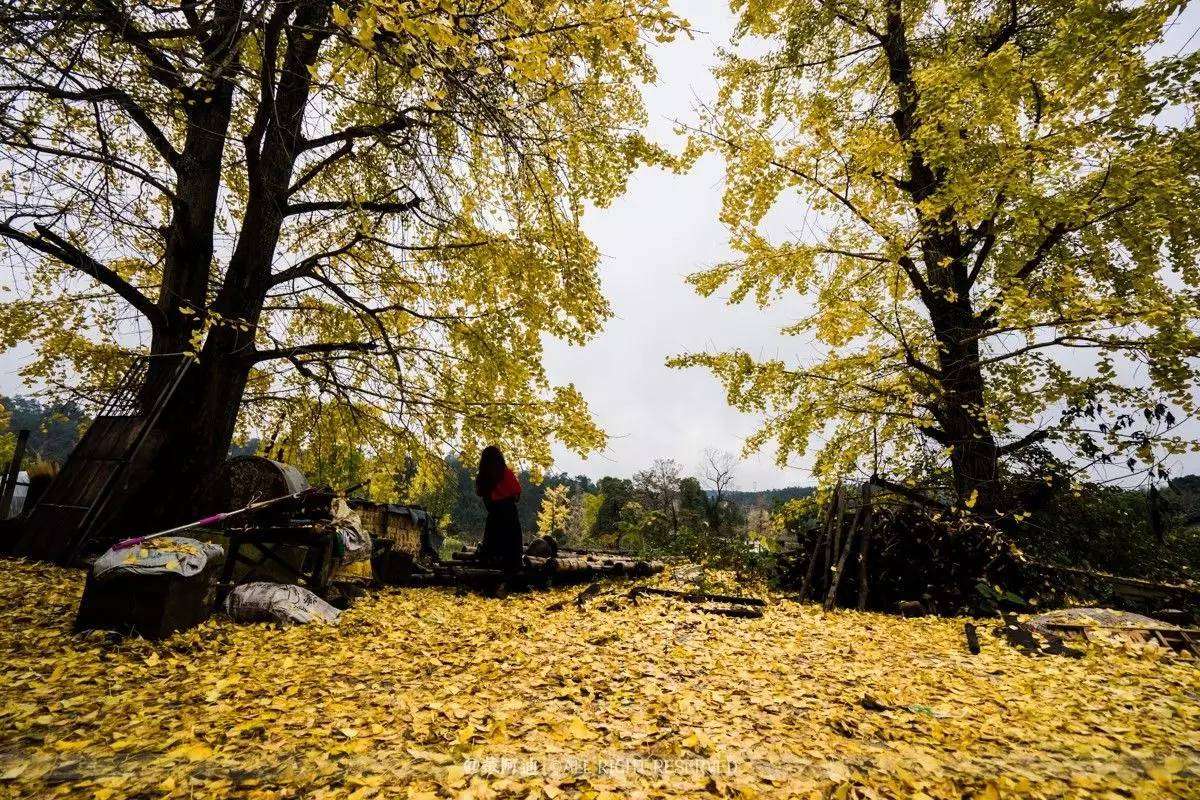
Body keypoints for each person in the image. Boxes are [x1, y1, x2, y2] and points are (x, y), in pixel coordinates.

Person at [475, 446, 523, 573]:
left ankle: (490, 577)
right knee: (512, 551)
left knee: (492, 549)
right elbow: (517, 495)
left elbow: (481, 493)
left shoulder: (483, 477)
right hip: (510, 514)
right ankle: (512, 577)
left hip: (494, 515)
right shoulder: (506, 473)